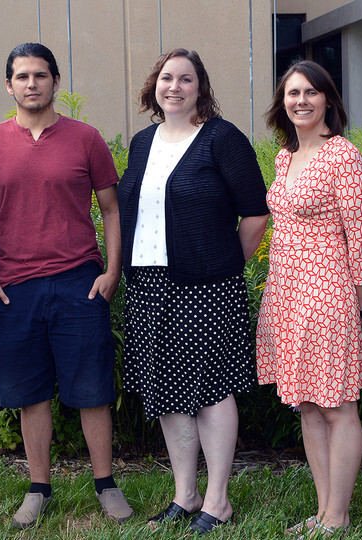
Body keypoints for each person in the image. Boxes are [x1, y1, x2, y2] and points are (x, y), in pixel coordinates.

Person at [0, 42, 133, 529]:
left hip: (79, 282)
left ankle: (105, 483)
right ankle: (39, 487)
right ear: (9, 85)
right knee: (30, 392)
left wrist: (112, 271)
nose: (32, 84)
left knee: (92, 389)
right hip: (15, 288)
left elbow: (111, 210)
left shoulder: (86, 138)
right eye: (22, 76)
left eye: (41, 75)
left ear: (55, 82)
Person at [118, 48, 270, 535]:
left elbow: (255, 213)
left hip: (207, 286)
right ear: (154, 86)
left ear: (201, 87)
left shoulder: (222, 140)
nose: (175, 87)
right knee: (166, 389)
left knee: (211, 390)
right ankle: (185, 495)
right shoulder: (143, 142)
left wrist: (224, 264)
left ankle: (218, 500)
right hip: (149, 284)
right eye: (167, 78)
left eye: (186, 79)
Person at [256, 60, 362, 537]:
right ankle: (324, 510)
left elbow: (361, 233)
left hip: (327, 291)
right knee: (306, 403)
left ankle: (339, 515)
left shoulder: (341, 154)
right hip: (285, 291)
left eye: (310, 92)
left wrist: (357, 299)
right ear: (282, 102)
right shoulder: (286, 155)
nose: (300, 100)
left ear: (328, 99)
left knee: (337, 405)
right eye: (292, 93)